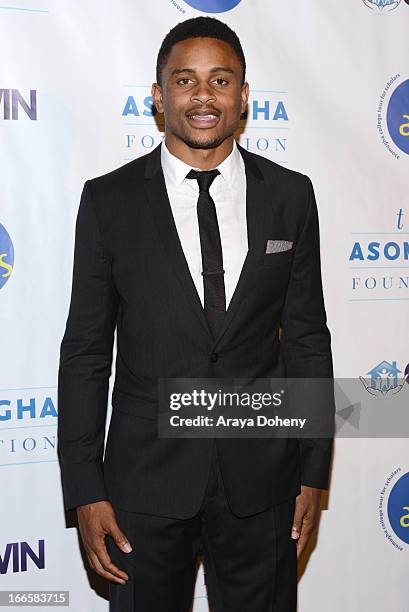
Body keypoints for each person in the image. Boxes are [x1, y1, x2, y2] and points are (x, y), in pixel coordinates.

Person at [57, 16, 335, 612]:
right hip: (142, 485)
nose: (203, 96)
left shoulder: (290, 195)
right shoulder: (109, 201)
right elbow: (85, 352)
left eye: (221, 80)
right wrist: (85, 488)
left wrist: (313, 468)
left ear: (244, 97)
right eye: (185, 80)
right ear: (158, 97)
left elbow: (308, 338)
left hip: (264, 481)